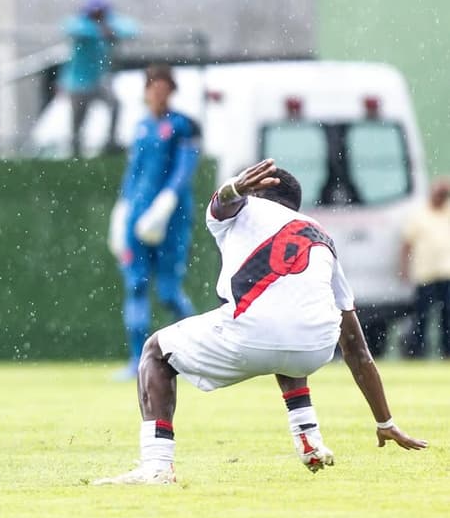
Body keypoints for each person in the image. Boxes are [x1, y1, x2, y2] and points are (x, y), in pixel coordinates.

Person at [96, 158, 428, 484]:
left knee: (155, 352)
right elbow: (357, 349)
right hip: (315, 348)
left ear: (257, 193)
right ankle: (308, 435)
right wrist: (385, 419)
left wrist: (235, 187)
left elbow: (222, 202)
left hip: (252, 335)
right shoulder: (322, 236)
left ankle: (156, 465)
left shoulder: (244, 208)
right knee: (289, 318)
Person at [107, 64, 200, 380]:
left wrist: (167, 199)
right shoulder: (141, 127)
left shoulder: (183, 126)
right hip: (136, 217)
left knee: (169, 292)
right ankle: (138, 361)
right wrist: (121, 210)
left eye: (163, 89)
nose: (157, 95)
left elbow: (184, 168)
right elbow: (133, 173)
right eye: (152, 89)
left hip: (170, 218)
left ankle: (197, 355)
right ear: (146, 92)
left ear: (171, 92)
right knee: (135, 285)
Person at [58, 0, 138, 156]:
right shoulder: (82, 25)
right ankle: (75, 151)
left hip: (99, 81)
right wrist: (100, 31)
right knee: (78, 121)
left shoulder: (109, 24)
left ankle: (110, 142)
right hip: (78, 83)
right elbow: (68, 28)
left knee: (115, 105)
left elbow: (132, 29)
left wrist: (110, 30)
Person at [400, 177, 450, 358]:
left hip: (446, 273)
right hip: (425, 274)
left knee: (447, 317)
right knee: (423, 316)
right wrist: (404, 269)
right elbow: (407, 244)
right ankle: (418, 351)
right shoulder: (419, 214)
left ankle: (447, 351)